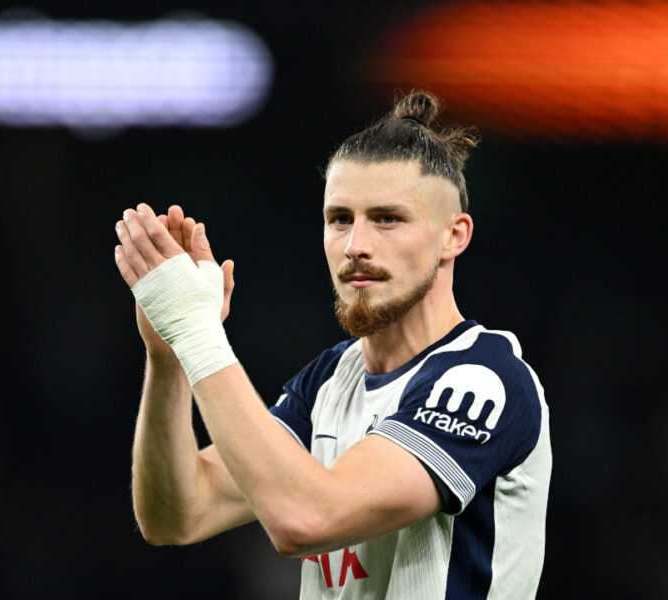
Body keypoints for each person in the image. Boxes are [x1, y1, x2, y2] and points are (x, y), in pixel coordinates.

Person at [114, 91, 551, 599]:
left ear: (454, 235)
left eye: (387, 219)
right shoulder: (328, 382)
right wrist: (170, 355)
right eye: (340, 218)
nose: (355, 245)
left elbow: (306, 517)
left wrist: (198, 332)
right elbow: (178, 514)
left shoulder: (482, 379)